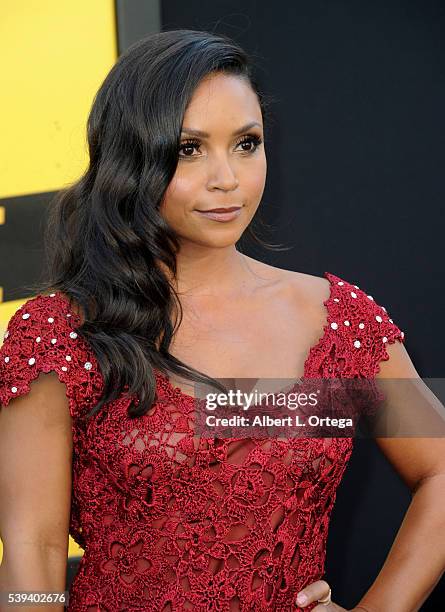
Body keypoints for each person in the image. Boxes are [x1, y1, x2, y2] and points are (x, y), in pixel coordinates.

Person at [0, 29, 444, 612]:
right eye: (189, 149)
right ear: (129, 159)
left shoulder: (334, 324)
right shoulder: (61, 334)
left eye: (246, 143)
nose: (227, 179)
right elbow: (34, 551)